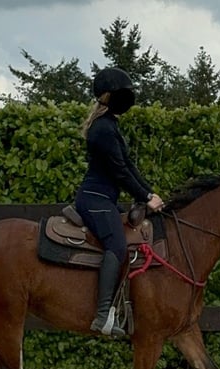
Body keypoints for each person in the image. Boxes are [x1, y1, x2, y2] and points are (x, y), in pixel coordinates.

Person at [75, 67, 164, 337]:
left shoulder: (110, 125)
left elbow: (128, 166)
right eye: (122, 94)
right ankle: (103, 315)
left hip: (105, 200)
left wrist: (150, 194)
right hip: (95, 200)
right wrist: (146, 197)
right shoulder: (102, 129)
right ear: (108, 96)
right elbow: (120, 172)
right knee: (116, 244)